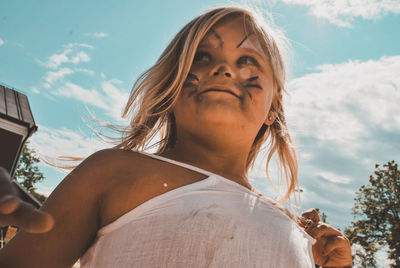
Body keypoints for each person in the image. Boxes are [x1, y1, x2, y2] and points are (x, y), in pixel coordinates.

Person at [0, 6, 353, 267]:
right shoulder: (115, 172)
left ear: (273, 108)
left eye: (249, 61)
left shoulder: (295, 228)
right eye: (202, 56)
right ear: (171, 85)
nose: (225, 68)